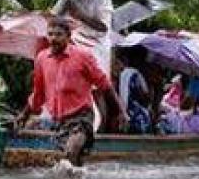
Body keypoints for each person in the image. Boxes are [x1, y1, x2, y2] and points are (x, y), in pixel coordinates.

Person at [16, 17, 123, 166]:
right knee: (71, 162)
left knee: (71, 151)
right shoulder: (42, 59)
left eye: (58, 34)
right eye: (50, 34)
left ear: (68, 36)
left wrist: (119, 112)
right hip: (60, 121)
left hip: (81, 116)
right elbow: (38, 93)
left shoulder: (82, 56)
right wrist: (24, 114)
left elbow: (104, 85)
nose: (53, 38)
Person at [52, 0, 114, 76]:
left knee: (92, 87)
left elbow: (104, 27)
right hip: (73, 45)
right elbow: (53, 19)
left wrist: (80, 15)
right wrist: (63, 9)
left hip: (95, 49)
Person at [112, 50, 153, 134]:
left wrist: (122, 114)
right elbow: (146, 91)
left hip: (132, 114)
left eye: (114, 64)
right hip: (143, 115)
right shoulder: (137, 73)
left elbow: (124, 96)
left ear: (119, 63)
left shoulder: (125, 74)